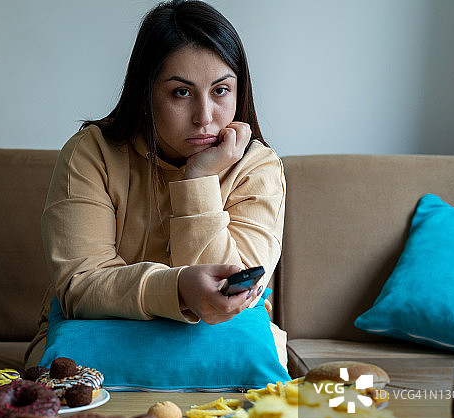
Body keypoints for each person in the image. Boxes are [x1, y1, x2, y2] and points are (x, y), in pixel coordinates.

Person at [25, 0, 287, 370]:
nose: (205, 117)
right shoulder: (91, 153)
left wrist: (199, 178)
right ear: (145, 95)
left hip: (222, 355)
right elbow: (80, 286)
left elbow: (226, 302)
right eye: (181, 92)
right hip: (95, 354)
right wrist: (178, 289)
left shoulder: (258, 166)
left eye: (221, 90)